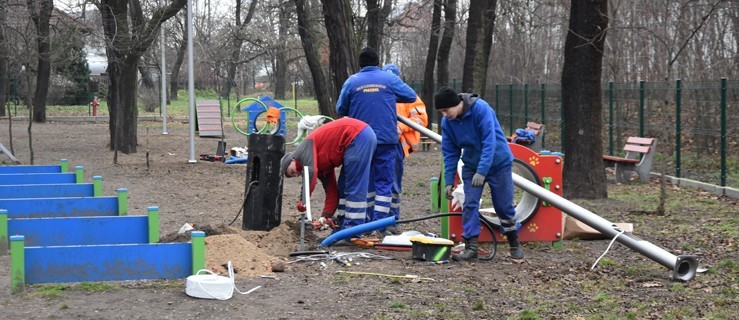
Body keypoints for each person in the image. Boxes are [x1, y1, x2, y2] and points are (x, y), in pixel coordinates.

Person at [434, 86, 524, 261]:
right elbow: (450, 152)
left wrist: (482, 171)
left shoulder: (481, 109)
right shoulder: (448, 123)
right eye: (441, 112)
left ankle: (514, 242)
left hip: (498, 162)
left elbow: (489, 141)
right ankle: (471, 246)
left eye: (446, 110)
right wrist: (449, 181)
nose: (444, 115)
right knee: (469, 203)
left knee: (503, 206)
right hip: (471, 165)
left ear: (456, 104)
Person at [336, 47, 417, 234]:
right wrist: (386, 96)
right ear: (378, 62)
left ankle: (355, 222)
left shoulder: (352, 81)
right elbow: (411, 96)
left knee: (359, 181)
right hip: (386, 140)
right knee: (384, 182)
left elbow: (341, 108)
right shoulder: (389, 79)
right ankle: (381, 224)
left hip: (360, 140)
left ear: (360, 64)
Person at [280, 118, 376, 235]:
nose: (296, 174)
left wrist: (303, 200)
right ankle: (344, 228)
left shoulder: (302, 149)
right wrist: (325, 217)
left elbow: (311, 172)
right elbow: (332, 193)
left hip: (357, 135)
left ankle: (352, 232)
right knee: (343, 186)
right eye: (294, 176)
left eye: (292, 171)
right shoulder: (322, 167)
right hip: (358, 138)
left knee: (354, 185)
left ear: (292, 159)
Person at [382, 63, 428, 234]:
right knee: (380, 183)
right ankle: (379, 220)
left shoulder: (409, 96)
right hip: (382, 142)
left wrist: (401, 127)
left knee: (392, 183)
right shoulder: (381, 93)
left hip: (396, 145)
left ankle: (392, 220)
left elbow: (421, 118)